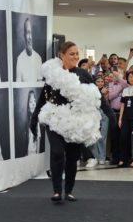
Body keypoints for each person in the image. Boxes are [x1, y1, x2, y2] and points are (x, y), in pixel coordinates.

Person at [30, 41, 113, 202]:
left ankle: (68, 191)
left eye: (77, 53)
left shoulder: (83, 74)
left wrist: (110, 114)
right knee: (57, 153)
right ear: (62, 55)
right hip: (55, 119)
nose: (75, 56)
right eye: (71, 54)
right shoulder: (53, 74)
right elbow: (43, 98)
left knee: (73, 156)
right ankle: (56, 190)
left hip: (75, 123)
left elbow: (98, 96)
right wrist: (34, 119)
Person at [15, 18, 42, 82]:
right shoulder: (19, 59)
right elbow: (18, 86)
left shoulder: (38, 58)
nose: (30, 37)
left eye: (31, 33)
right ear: (24, 36)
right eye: (28, 33)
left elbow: (39, 85)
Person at [26, 90, 41, 155]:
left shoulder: (37, 122)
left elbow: (38, 148)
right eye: (31, 101)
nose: (33, 104)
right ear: (28, 106)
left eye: (34, 101)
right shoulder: (26, 123)